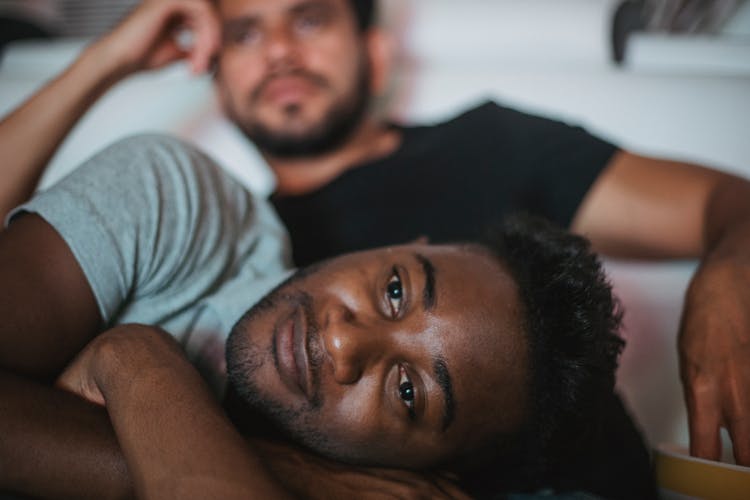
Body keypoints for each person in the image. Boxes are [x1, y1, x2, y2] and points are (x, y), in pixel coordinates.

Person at [0, 0, 748, 489]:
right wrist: (103, 64)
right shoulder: (207, 234)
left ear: (377, 53)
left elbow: (729, 203)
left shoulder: (486, 147)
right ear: (217, 77)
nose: (281, 53)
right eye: (245, 34)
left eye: (310, 18)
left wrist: (727, 270)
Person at [2, 134, 625, 499]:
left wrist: (129, 362)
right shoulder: (179, 203)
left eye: (408, 391)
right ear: (399, 242)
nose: (343, 340)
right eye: (395, 291)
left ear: (433, 475)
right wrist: (289, 472)